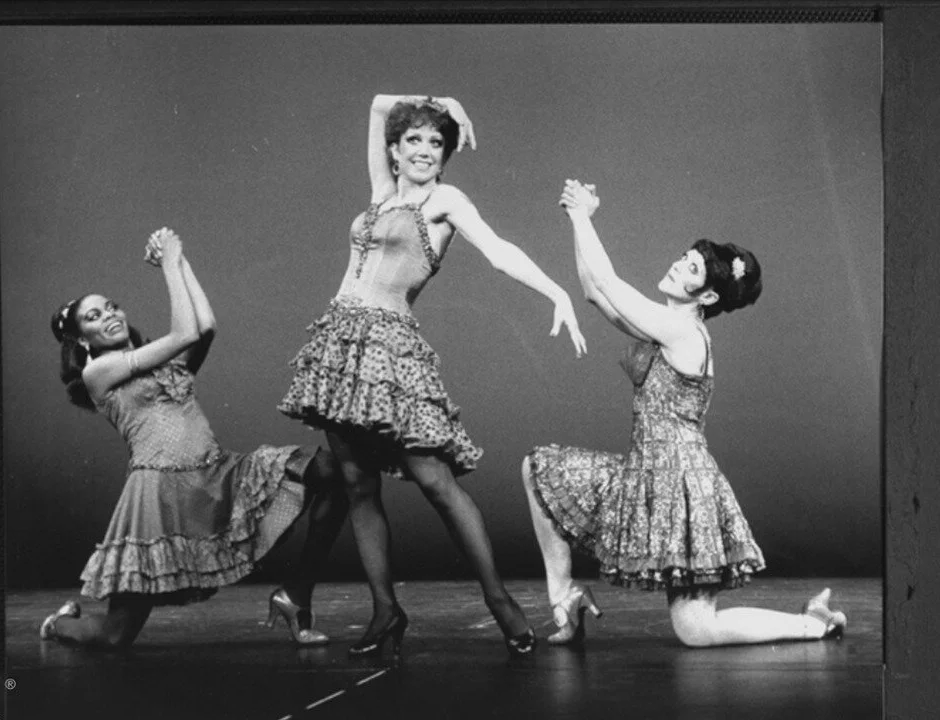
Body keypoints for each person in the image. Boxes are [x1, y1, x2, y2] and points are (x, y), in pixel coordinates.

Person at [278, 94, 586, 658]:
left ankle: (500, 603)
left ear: (445, 157)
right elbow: (375, 105)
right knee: (357, 484)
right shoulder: (380, 193)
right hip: (339, 343)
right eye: (413, 140)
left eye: (436, 142)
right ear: (395, 152)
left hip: (388, 350)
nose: (424, 150)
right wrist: (446, 104)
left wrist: (556, 290)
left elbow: (498, 251)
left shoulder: (445, 200)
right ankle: (385, 610)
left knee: (436, 481)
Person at [520, 179, 848, 647]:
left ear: (708, 296)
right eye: (684, 256)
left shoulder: (685, 333)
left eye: (691, 268)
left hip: (679, 484)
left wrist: (581, 214)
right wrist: (578, 222)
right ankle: (565, 596)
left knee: (696, 630)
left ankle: (813, 623)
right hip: (643, 474)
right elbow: (595, 292)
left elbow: (610, 282)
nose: (678, 264)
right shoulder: (664, 324)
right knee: (539, 469)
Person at [39, 228, 349, 649]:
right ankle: (60, 623)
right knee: (115, 636)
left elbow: (204, 328)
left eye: (111, 307)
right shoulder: (98, 373)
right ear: (80, 339)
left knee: (332, 471)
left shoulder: (168, 365)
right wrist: (167, 261)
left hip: (216, 475)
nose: (109, 315)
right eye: (93, 317)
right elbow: (184, 334)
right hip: (161, 498)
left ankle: (296, 594)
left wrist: (180, 259)